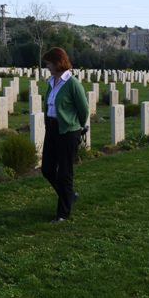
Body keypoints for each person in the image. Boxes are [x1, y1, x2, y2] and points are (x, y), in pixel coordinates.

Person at [41, 47, 89, 223]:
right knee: (47, 169)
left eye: (48, 63)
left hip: (68, 131)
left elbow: (83, 109)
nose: (46, 66)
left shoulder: (72, 83)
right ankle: (69, 195)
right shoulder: (51, 82)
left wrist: (79, 127)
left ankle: (63, 213)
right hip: (52, 129)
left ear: (57, 62)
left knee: (64, 173)